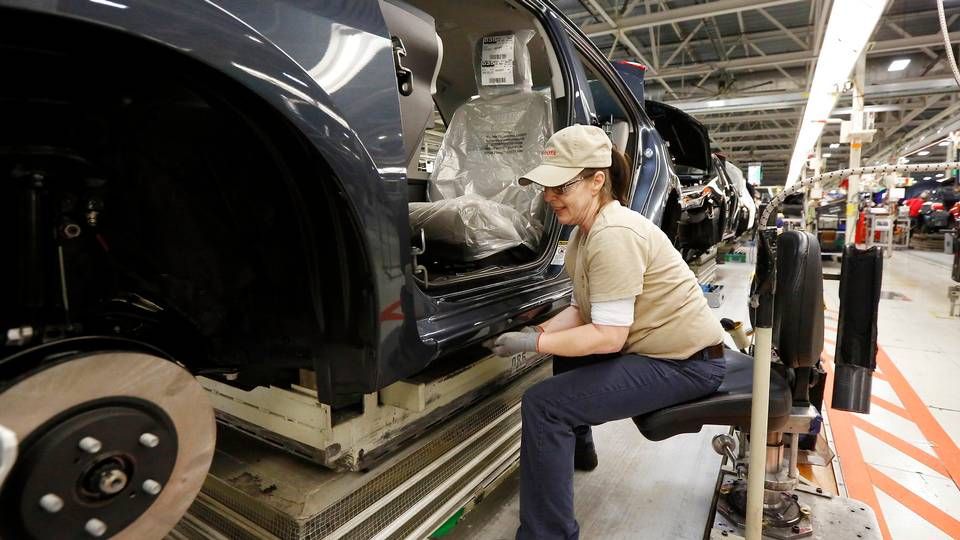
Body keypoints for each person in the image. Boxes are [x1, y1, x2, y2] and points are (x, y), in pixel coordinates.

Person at [485, 124, 727, 540]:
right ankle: (580, 450)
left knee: (544, 405)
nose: (549, 196)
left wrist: (534, 343)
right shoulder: (586, 232)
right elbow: (582, 312)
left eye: (560, 186)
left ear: (598, 181)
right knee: (566, 353)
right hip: (662, 350)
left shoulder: (614, 235)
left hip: (686, 365)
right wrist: (540, 329)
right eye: (547, 187)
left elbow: (608, 337)